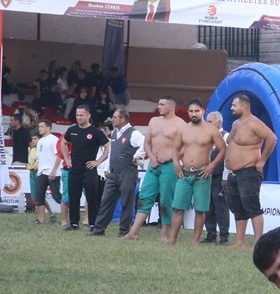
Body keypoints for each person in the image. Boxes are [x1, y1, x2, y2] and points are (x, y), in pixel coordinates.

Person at [123, 96, 184, 242]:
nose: (159, 107)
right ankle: (134, 231)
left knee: (166, 199)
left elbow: (186, 147)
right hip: (154, 164)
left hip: (169, 165)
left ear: (171, 107)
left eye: (162, 104)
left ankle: (164, 233)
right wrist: (151, 156)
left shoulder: (180, 124)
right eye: (159, 104)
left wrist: (171, 156)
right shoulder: (153, 121)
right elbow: (147, 143)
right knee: (145, 197)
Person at [168, 100, 227, 246]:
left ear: (203, 111)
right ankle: (172, 240)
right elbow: (175, 149)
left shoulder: (211, 130)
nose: (193, 114)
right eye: (190, 111)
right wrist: (176, 163)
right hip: (185, 174)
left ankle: (195, 241)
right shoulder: (183, 129)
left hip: (202, 174)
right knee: (178, 207)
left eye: (196, 111)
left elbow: (223, 149)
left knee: (200, 210)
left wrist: (211, 166)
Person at [223, 93, 277, 249]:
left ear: (244, 106)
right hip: (233, 172)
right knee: (237, 207)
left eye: (234, 105)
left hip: (249, 170)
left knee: (251, 205)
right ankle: (240, 241)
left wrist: (262, 160)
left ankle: (258, 242)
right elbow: (230, 142)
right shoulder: (236, 124)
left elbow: (272, 138)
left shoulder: (254, 123)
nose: (231, 108)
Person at [92, 108, 146, 236]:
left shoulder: (134, 133)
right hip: (113, 173)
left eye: (115, 117)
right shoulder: (115, 133)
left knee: (127, 201)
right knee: (106, 200)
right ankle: (99, 229)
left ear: (122, 119)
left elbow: (145, 144)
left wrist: (137, 156)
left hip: (127, 171)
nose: (113, 119)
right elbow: (112, 152)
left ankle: (124, 230)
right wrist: (106, 167)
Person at [62, 104, 109, 232]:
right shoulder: (72, 130)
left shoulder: (95, 132)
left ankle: (93, 224)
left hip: (89, 170)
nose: (79, 117)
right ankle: (74, 223)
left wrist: (98, 161)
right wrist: (67, 159)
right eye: (77, 115)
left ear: (88, 116)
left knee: (91, 197)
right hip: (74, 169)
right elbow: (63, 142)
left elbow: (108, 146)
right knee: (73, 196)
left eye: (82, 115)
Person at [34, 118, 62, 225]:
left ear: (48, 128)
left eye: (42, 126)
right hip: (42, 172)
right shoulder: (40, 141)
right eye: (39, 126)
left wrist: (54, 171)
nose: (39, 128)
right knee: (39, 196)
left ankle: (69, 213)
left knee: (56, 196)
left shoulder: (54, 139)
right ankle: (41, 218)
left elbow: (58, 156)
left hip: (52, 172)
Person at [203, 136, 231, 246]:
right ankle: (211, 234)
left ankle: (224, 236)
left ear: (218, 121)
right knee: (208, 207)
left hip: (219, 177)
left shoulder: (225, 136)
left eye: (210, 121)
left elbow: (227, 157)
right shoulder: (207, 134)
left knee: (221, 207)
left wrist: (225, 176)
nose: (208, 123)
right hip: (206, 176)